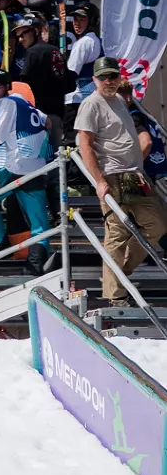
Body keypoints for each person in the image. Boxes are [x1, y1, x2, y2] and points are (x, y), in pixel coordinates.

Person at [75, 58, 167, 307]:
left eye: (112, 76)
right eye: (103, 77)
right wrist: (98, 180)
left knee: (157, 224)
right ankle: (115, 295)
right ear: (94, 79)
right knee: (116, 233)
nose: (108, 81)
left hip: (134, 174)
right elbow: (84, 144)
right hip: (112, 175)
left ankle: (118, 276)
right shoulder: (91, 104)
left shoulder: (119, 100)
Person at [0, 68, 56, 273]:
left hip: (17, 166)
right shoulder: (22, 100)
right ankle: (36, 263)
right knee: (38, 220)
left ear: (6, 87)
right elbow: (48, 122)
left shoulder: (5, 104)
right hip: (38, 166)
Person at [11, 15, 69, 121]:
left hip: (39, 115)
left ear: (36, 31)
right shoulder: (56, 50)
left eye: (23, 34)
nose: (20, 39)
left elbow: (24, 84)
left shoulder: (33, 52)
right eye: (18, 36)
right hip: (59, 113)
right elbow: (68, 83)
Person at [64, 4, 103, 132]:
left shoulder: (84, 42)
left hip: (77, 100)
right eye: (75, 19)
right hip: (93, 98)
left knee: (72, 139)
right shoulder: (98, 41)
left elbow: (71, 73)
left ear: (91, 20)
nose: (77, 23)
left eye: (82, 19)